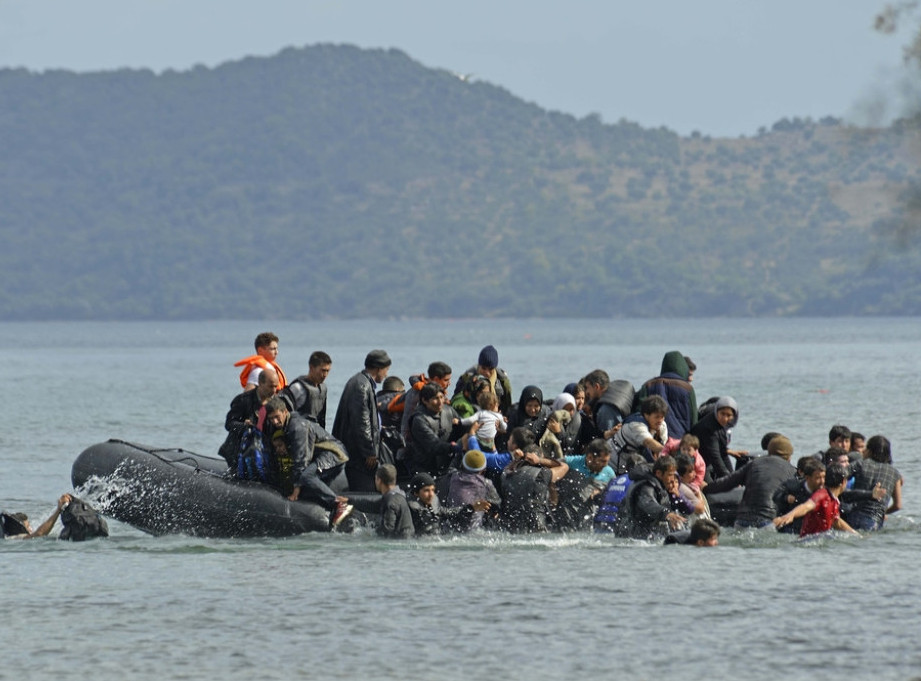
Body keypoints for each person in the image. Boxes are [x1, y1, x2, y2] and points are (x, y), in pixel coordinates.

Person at [263, 396, 353, 528]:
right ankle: (331, 508)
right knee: (308, 488)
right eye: (271, 419)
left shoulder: (297, 427)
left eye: (277, 416)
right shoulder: (286, 425)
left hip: (333, 454)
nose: (275, 421)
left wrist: (295, 491)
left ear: (285, 412)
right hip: (322, 457)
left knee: (306, 476)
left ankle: (338, 504)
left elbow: (301, 460)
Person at [704, 434, 797, 529]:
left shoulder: (754, 464)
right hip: (769, 522)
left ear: (769, 451)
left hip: (742, 521)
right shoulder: (792, 471)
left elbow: (727, 482)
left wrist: (705, 488)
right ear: (788, 456)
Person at [332, 349, 392, 492]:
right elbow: (361, 421)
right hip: (358, 455)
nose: (386, 375)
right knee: (365, 490)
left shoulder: (361, 382)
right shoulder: (361, 386)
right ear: (378, 369)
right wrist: (369, 451)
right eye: (386, 370)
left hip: (357, 451)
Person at [773, 464, 859, 537]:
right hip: (808, 542)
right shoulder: (822, 495)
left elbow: (836, 521)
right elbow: (806, 506)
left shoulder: (834, 499)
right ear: (844, 482)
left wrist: (856, 535)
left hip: (819, 539)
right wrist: (790, 515)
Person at [613, 455, 687, 540]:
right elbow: (648, 504)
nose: (672, 479)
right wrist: (667, 514)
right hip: (632, 537)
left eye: (674, 475)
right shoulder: (646, 486)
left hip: (643, 534)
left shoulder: (659, 485)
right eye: (670, 475)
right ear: (659, 473)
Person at [218, 368, 280, 467]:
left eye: (276, 387)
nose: (273, 391)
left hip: (263, 451)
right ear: (260, 383)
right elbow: (229, 424)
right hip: (238, 451)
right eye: (270, 386)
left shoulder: (276, 402)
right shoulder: (243, 400)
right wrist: (244, 426)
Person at [404, 382, 464, 477]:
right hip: (425, 468)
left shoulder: (449, 411)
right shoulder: (419, 419)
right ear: (424, 400)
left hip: (448, 465)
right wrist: (455, 447)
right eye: (435, 398)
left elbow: (462, 428)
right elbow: (433, 446)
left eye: (441, 397)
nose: (440, 402)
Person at [845, 434, 903, 531]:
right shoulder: (895, 473)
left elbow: (838, 477)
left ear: (870, 451)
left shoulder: (860, 464)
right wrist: (884, 512)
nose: (863, 451)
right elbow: (898, 505)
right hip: (875, 520)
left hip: (853, 516)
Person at [635, 350, 698, 439]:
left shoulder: (648, 385)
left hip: (653, 438)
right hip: (680, 442)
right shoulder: (687, 388)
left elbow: (639, 412)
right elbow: (694, 419)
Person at [406, 472, 489, 536]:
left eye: (432, 490)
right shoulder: (409, 509)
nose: (431, 494)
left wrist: (471, 508)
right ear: (416, 493)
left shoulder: (432, 502)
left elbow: (448, 513)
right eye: (426, 490)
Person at [689, 396, 746, 481]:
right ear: (716, 412)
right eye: (722, 414)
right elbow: (715, 456)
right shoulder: (710, 429)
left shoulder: (721, 426)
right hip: (696, 463)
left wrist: (732, 475)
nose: (725, 418)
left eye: (729, 415)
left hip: (707, 461)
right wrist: (730, 480)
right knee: (709, 490)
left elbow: (723, 452)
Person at [445, 450, 501, 531]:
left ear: (463, 464)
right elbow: (497, 504)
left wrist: (462, 448)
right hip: (474, 531)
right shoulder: (486, 484)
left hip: (450, 527)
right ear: (484, 469)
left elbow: (452, 466)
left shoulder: (452, 477)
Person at [611, 395, 669, 471]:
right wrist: (669, 456)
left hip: (636, 462)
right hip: (614, 462)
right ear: (646, 415)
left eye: (662, 417)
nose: (660, 420)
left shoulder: (662, 425)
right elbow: (649, 442)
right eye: (657, 417)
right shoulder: (635, 425)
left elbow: (661, 446)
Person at [398, 361, 453, 442]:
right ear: (436, 379)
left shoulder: (431, 391)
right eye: (446, 380)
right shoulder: (418, 393)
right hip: (413, 440)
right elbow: (408, 419)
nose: (449, 383)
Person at [453, 345, 513, 416]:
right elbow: (456, 398)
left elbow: (507, 405)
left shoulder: (502, 380)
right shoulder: (467, 378)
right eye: (484, 368)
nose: (487, 373)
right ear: (479, 365)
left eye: (490, 369)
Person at [280, 350, 332, 428]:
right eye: (323, 370)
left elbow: (321, 418)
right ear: (311, 367)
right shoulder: (298, 388)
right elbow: (282, 412)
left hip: (316, 433)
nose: (325, 375)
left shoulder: (323, 389)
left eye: (328, 371)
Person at [580, 369, 635, 441]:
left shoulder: (605, 410)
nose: (586, 392)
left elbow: (606, 441)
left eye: (587, 388)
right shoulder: (620, 392)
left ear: (596, 387)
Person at [1, 494, 72, 539]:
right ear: (19, 528)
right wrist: (58, 511)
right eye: (28, 526)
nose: (31, 529)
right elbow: (39, 534)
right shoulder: (16, 538)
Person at [375, 463, 414, 538]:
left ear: (379, 480)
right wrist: (350, 500)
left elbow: (387, 529)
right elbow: (374, 503)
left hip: (400, 544)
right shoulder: (400, 494)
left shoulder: (390, 501)